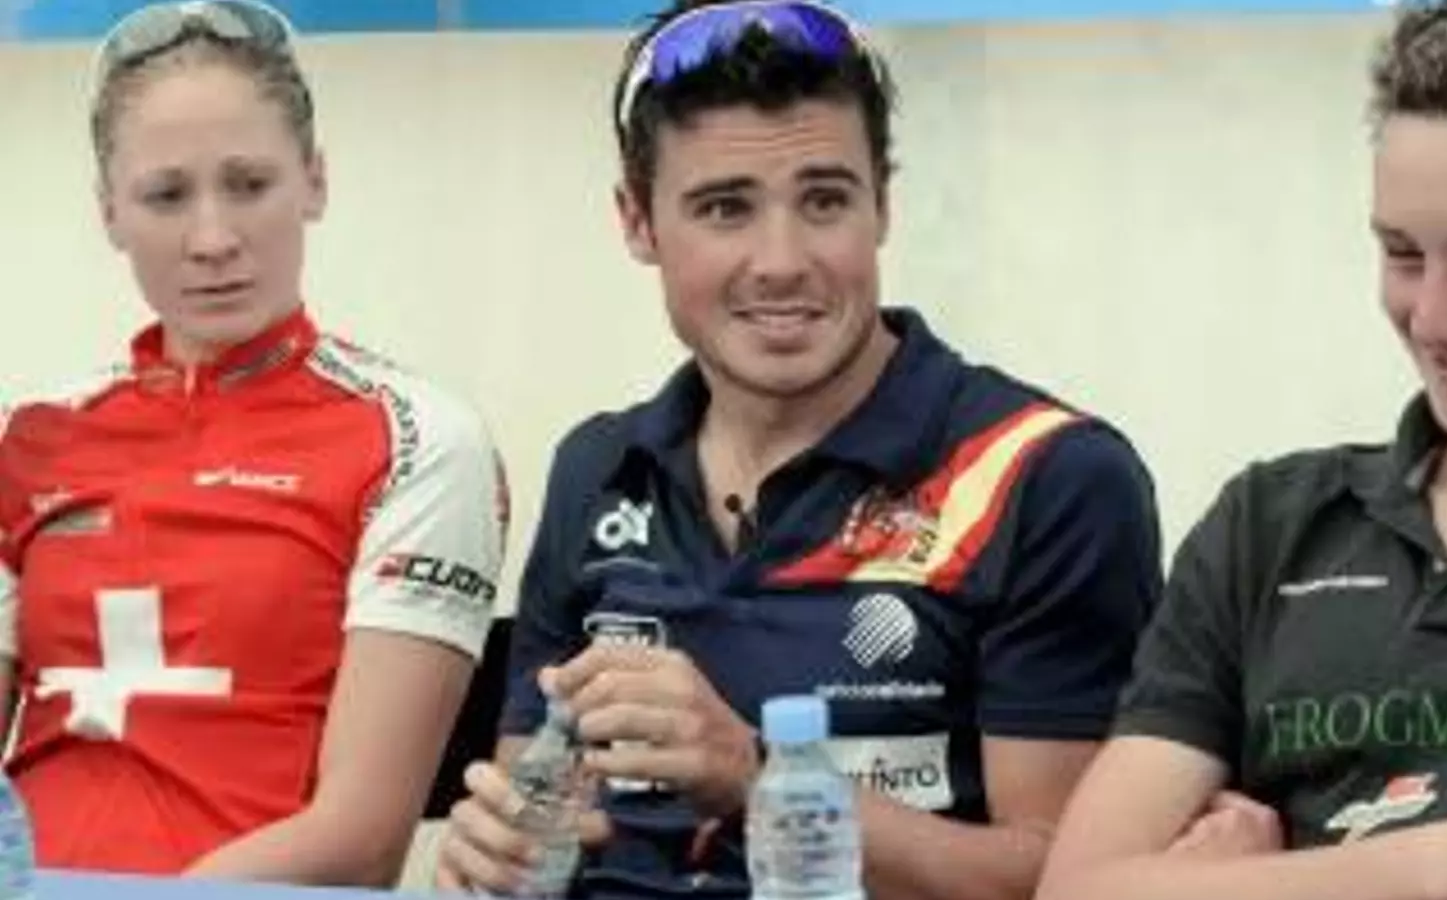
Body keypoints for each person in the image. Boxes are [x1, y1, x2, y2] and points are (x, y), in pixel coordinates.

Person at [432, 2, 1163, 898]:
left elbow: (1071, 880)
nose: (781, 261)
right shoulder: (597, 467)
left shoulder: (1047, 475)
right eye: (724, 208)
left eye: (824, 201)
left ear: (883, 204)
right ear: (637, 222)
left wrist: (759, 776)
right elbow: (530, 818)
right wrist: (493, 856)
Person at [1034, 1, 1447, 899]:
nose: (1434, 318)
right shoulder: (1270, 525)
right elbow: (1080, 891)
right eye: (1403, 254)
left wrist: (1246, 886)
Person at [0, 0, 508, 883]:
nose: (213, 239)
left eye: (248, 184)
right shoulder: (29, 436)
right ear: (110, 213)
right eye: (166, 195)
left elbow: (361, 839)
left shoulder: (421, 439)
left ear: (314, 181)